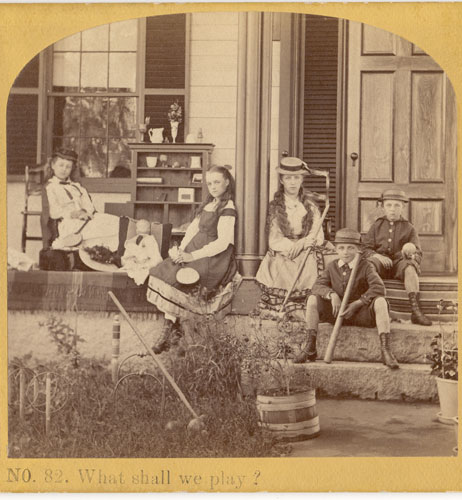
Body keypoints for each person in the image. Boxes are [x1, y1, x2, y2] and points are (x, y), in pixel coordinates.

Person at [148, 165, 238, 354]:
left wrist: (192, 255)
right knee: (166, 270)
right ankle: (171, 329)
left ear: (227, 182)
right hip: (194, 250)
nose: (213, 187)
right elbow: (192, 230)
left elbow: (222, 243)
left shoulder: (228, 207)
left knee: (184, 278)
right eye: (210, 183)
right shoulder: (209, 203)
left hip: (212, 257)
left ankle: (174, 332)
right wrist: (180, 250)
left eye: (217, 182)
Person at [296, 228, 399, 369]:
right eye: (341, 248)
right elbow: (317, 286)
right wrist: (332, 295)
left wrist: (358, 303)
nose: (345, 252)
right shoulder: (332, 266)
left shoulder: (366, 266)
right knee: (312, 299)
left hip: (359, 313)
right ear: (336, 250)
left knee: (381, 301)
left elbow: (379, 288)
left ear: (358, 250)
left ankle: (386, 350)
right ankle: (310, 347)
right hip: (336, 313)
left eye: (351, 248)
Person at [256, 156, 330, 318]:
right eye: (288, 178)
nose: (292, 182)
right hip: (284, 249)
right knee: (285, 262)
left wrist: (303, 242)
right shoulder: (276, 207)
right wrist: (292, 246)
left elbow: (317, 234)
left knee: (309, 260)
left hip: (306, 248)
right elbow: (275, 238)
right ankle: (283, 308)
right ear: (282, 180)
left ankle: (306, 308)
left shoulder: (310, 205)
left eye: (296, 178)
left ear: (302, 179)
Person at [362, 189, 431, 326]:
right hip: (380, 264)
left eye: (397, 205)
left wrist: (410, 255)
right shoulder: (376, 226)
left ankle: (415, 310)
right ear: (383, 207)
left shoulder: (409, 227)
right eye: (389, 205)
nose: (392, 209)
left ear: (403, 207)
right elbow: (365, 248)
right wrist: (377, 256)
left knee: (410, 267)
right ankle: (368, 306)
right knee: (368, 264)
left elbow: (418, 252)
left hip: (400, 264)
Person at [45, 148, 120, 250]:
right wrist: (73, 214)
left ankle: (106, 255)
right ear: (53, 166)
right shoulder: (51, 187)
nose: (64, 169)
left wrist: (85, 213)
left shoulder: (77, 187)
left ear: (72, 169)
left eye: (68, 167)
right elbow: (54, 212)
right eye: (61, 165)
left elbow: (89, 207)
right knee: (103, 229)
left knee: (117, 222)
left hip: (85, 218)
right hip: (67, 223)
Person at [121, 219, 162, 285]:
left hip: (145, 263)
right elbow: (128, 253)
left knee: (144, 270)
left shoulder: (150, 240)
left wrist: (145, 263)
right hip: (134, 262)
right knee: (127, 265)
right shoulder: (131, 241)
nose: (141, 229)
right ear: (136, 230)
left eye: (144, 227)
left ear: (149, 230)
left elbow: (155, 256)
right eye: (139, 227)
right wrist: (130, 258)